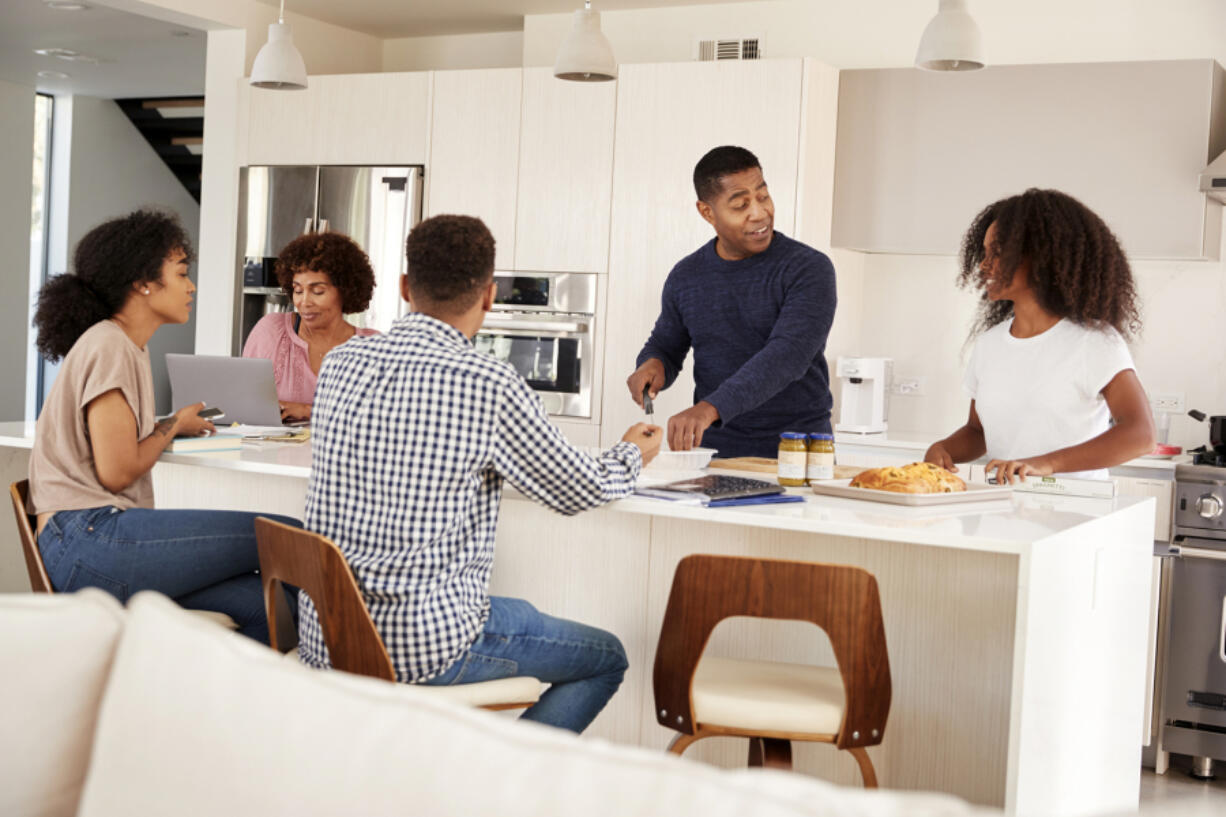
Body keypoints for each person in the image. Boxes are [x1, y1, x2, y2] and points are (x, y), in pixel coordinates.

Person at [301, 214, 661, 733]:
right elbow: (577, 490)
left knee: (512, 611)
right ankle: (497, 785)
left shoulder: (341, 362)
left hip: (329, 636)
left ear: (405, 288)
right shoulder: (489, 382)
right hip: (421, 645)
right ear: (489, 296)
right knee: (606, 658)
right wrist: (630, 452)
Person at [28, 209, 300, 643]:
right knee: (286, 536)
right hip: (90, 541)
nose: (190, 285)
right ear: (143, 282)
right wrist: (170, 427)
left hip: (92, 544)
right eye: (181, 273)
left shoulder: (126, 346)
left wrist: (173, 423)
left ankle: (199, 706)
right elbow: (116, 470)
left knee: (278, 606)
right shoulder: (109, 345)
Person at [923, 188, 1156, 483]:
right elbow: (978, 432)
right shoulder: (990, 345)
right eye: (984, 253)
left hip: (1076, 515)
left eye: (997, 252)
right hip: (1003, 509)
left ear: (1042, 256)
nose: (984, 264)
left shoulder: (1093, 342)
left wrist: (1048, 464)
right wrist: (943, 448)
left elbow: (1141, 435)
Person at [626, 145, 838, 458]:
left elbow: (787, 356)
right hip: (714, 455)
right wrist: (652, 364)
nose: (759, 212)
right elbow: (666, 344)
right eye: (740, 205)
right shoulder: (686, 275)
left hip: (798, 454)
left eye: (763, 196)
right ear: (707, 212)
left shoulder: (808, 269)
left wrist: (709, 408)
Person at [242, 232, 379, 422]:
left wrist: (310, 411)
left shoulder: (373, 347)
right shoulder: (271, 332)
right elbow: (242, 403)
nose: (304, 302)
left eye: (317, 291)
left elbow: (386, 419)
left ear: (345, 290)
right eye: (298, 290)